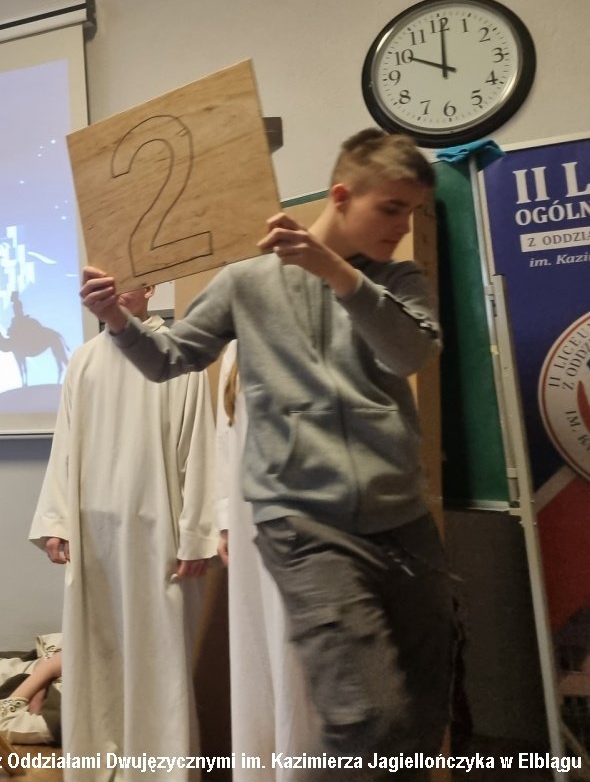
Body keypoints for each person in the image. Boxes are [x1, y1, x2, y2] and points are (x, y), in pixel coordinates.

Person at [79, 128, 453, 773]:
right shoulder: (246, 282)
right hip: (303, 523)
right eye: (391, 208)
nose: (402, 226)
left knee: (424, 708)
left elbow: (409, 352)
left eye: (412, 211)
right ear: (342, 196)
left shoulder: (398, 279)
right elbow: (169, 359)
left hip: (403, 520)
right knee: (368, 713)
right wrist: (117, 320)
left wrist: (336, 274)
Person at [30, 281, 216, 778]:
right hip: (95, 535)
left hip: (158, 534)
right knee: (98, 654)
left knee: (159, 656)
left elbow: (199, 443)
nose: (112, 290)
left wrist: (197, 534)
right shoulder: (84, 360)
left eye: (126, 280)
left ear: (150, 286)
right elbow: (65, 444)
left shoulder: (178, 355)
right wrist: (57, 520)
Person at [215, 343, 317, 781]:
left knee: (298, 657)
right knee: (256, 654)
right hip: (249, 524)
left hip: (309, 519)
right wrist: (224, 521)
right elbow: (225, 438)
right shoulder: (235, 349)